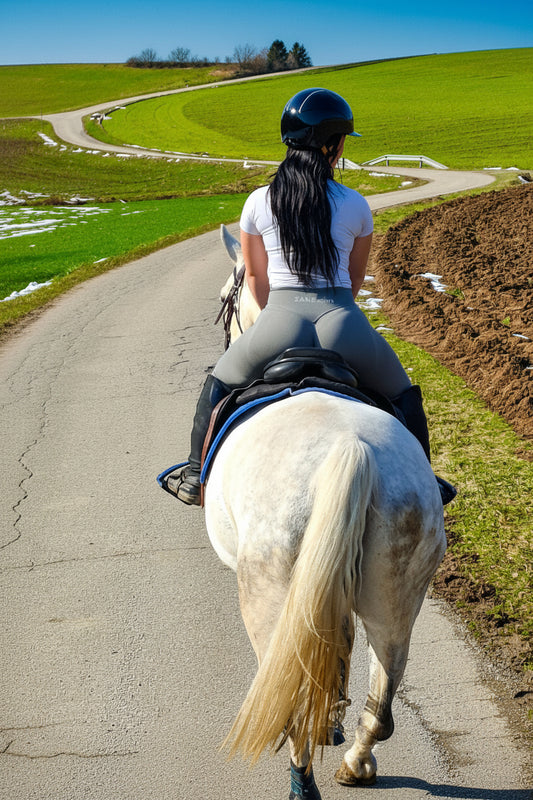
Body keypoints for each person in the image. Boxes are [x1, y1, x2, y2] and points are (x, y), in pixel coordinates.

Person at [162, 88, 456, 506]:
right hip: (342, 321)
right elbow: (354, 283)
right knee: (402, 392)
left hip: (280, 319)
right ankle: (426, 482)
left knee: (219, 384)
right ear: (332, 146)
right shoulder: (355, 203)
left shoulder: (258, 202)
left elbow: (257, 280)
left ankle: (194, 474)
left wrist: (279, 317)